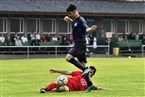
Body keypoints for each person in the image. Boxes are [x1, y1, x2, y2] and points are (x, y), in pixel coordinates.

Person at [64, 4, 97, 92]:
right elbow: (74, 24)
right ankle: (90, 85)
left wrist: (91, 28)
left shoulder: (81, 20)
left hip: (79, 44)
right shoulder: (75, 20)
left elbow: (86, 29)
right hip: (80, 44)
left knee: (68, 58)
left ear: (74, 12)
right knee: (83, 64)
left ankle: (85, 70)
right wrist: (68, 20)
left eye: (70, 14)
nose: (70, 15)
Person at [40, 66, 106, 93]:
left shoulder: (90, 84)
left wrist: (107, 90)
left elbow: (97, 88)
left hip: (69, 88)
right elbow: (67, 72)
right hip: (66, 81)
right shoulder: (80, 73)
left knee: (63, 89)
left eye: (91, 72)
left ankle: (51, 90)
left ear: (93, 75)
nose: (89, 72)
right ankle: (45, 89)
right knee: (57, 82)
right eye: (89, 71)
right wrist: (56, 71)